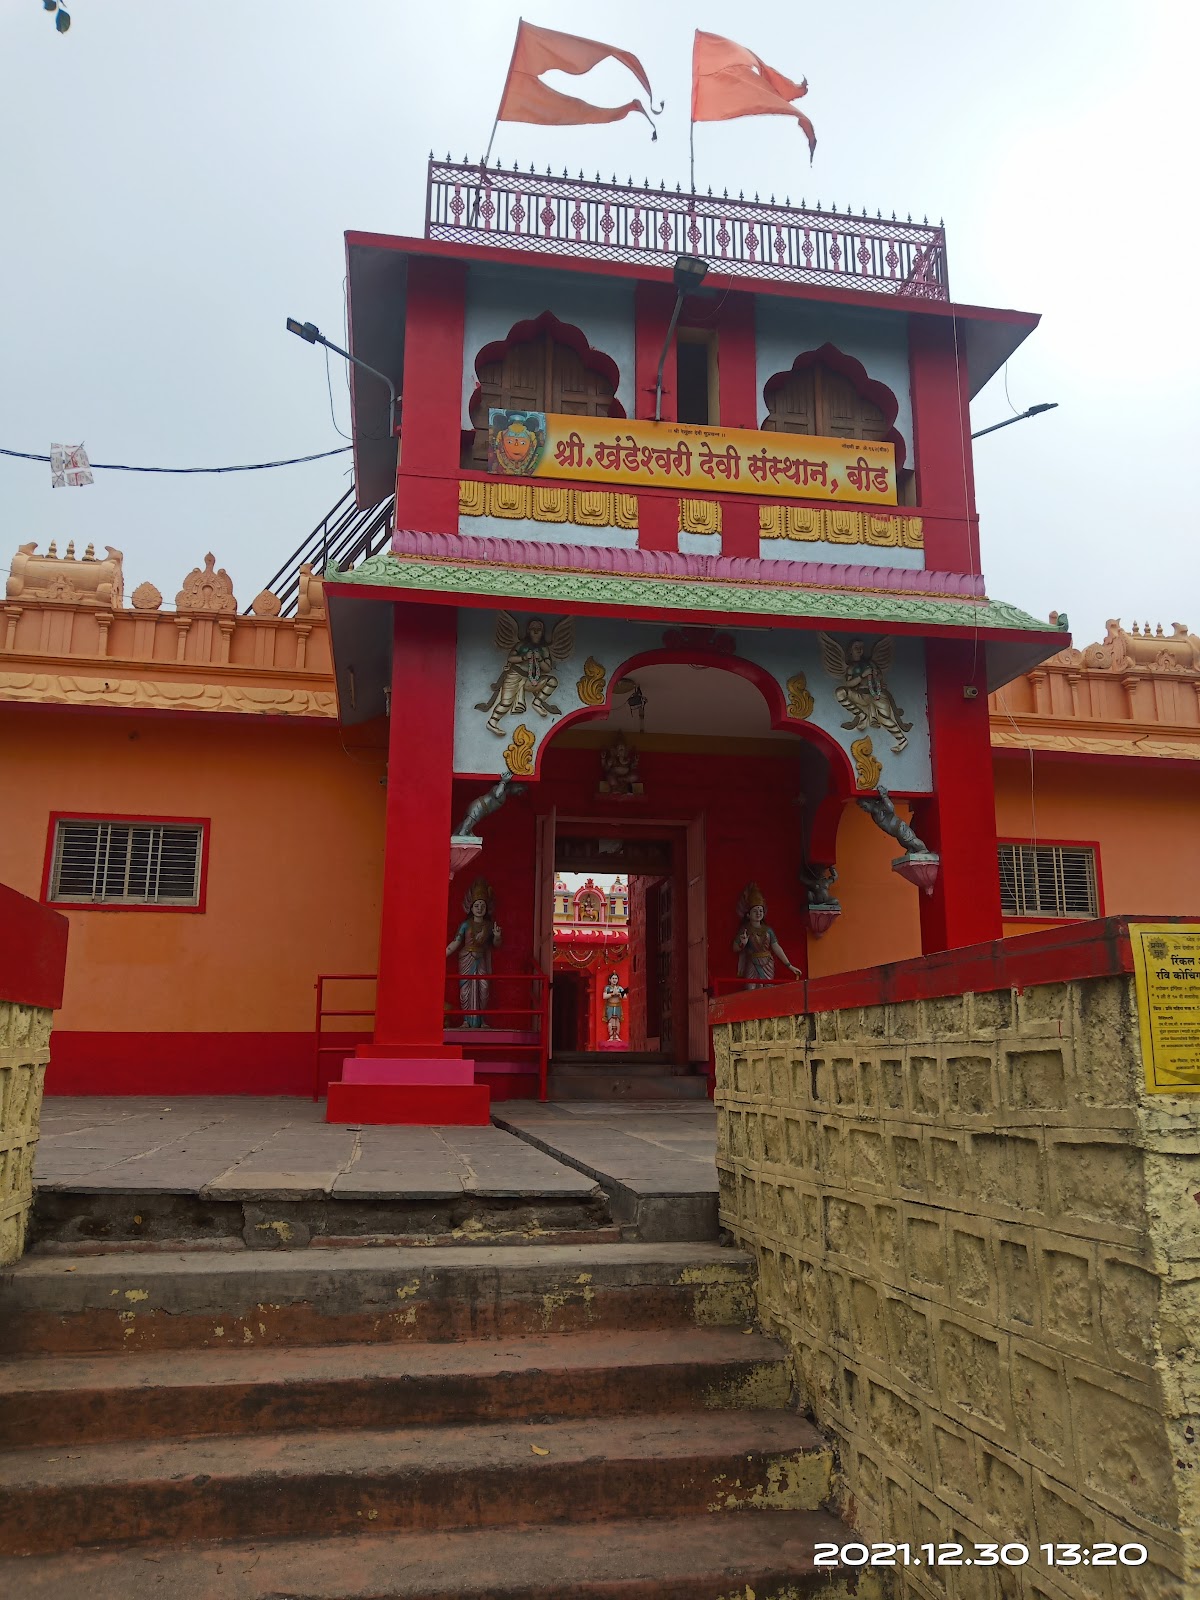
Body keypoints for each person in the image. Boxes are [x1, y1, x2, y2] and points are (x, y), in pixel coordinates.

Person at [446, 879, 501, 1028]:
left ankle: (481, 1020)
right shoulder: (466, 924)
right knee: (465, 990)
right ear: (471, 907)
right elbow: (456, 942)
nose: (479, 908)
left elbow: (496, 945)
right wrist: (442, 954)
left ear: (487, 908)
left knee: (483, 989)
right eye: (476, 905)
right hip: (466, 958)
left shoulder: (489, 926)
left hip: (481, 958)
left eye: (482, 905)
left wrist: (496, 936)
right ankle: (465, 1021)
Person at [733, 883, 801, 988]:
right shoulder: (745, 930)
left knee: (767, 990)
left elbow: (776, 947)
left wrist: (789, 965)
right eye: (755, 911)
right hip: (752, 963)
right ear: (748, 914)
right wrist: (743, 943)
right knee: (750, 989)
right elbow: (735, 948)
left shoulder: (768, 930)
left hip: (767, 963)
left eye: (760, 910)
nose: (758, 913)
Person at [603, 972, 628, 1041]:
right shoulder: (607, 988)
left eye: (616, 978)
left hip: (617, 1006)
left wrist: (618, 994)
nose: (614, 980)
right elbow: (604, 996)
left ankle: (617, 1035)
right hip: (610, 1006)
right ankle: (611, 1035)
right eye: (613, 978)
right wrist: (612, 994)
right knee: (610, 1021)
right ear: (610, 979)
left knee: (617, 1021)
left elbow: (625, 996)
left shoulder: (620, 988)